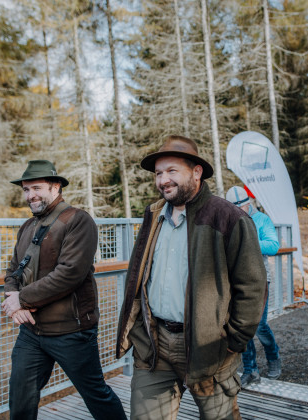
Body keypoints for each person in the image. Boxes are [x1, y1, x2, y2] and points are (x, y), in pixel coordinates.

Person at [115, 135, 266, 420]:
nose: (163, 180)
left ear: (196, 172)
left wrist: (232, 340)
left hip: (209, 350)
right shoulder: (153, 215)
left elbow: (252, 287)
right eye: (159, 173)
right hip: (154, 345)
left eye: (172, 171)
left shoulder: (228, 218)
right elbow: (139, 276)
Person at [1, 160, 126, 420]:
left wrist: (21, 299)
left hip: (71, 330)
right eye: (25, 190)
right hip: (31, 331)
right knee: (20, 395)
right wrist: (13, 301)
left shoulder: (78, 220)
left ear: (55, 186)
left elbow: (70, 274)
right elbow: (13, 270)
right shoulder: (27, 227)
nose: (30, 195)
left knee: (94, 393)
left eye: (37, 187)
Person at [226, 186, 282, 387]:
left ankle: (273, 356)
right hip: (236, 281)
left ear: (247, 203)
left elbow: (273, 246)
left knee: (259, 325)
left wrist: (248, 241)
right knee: (242, 326)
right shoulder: (229, 220)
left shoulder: (262, 220)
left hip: (259, 281)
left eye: (238, 207)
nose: (235, 212)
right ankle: (251, 370)